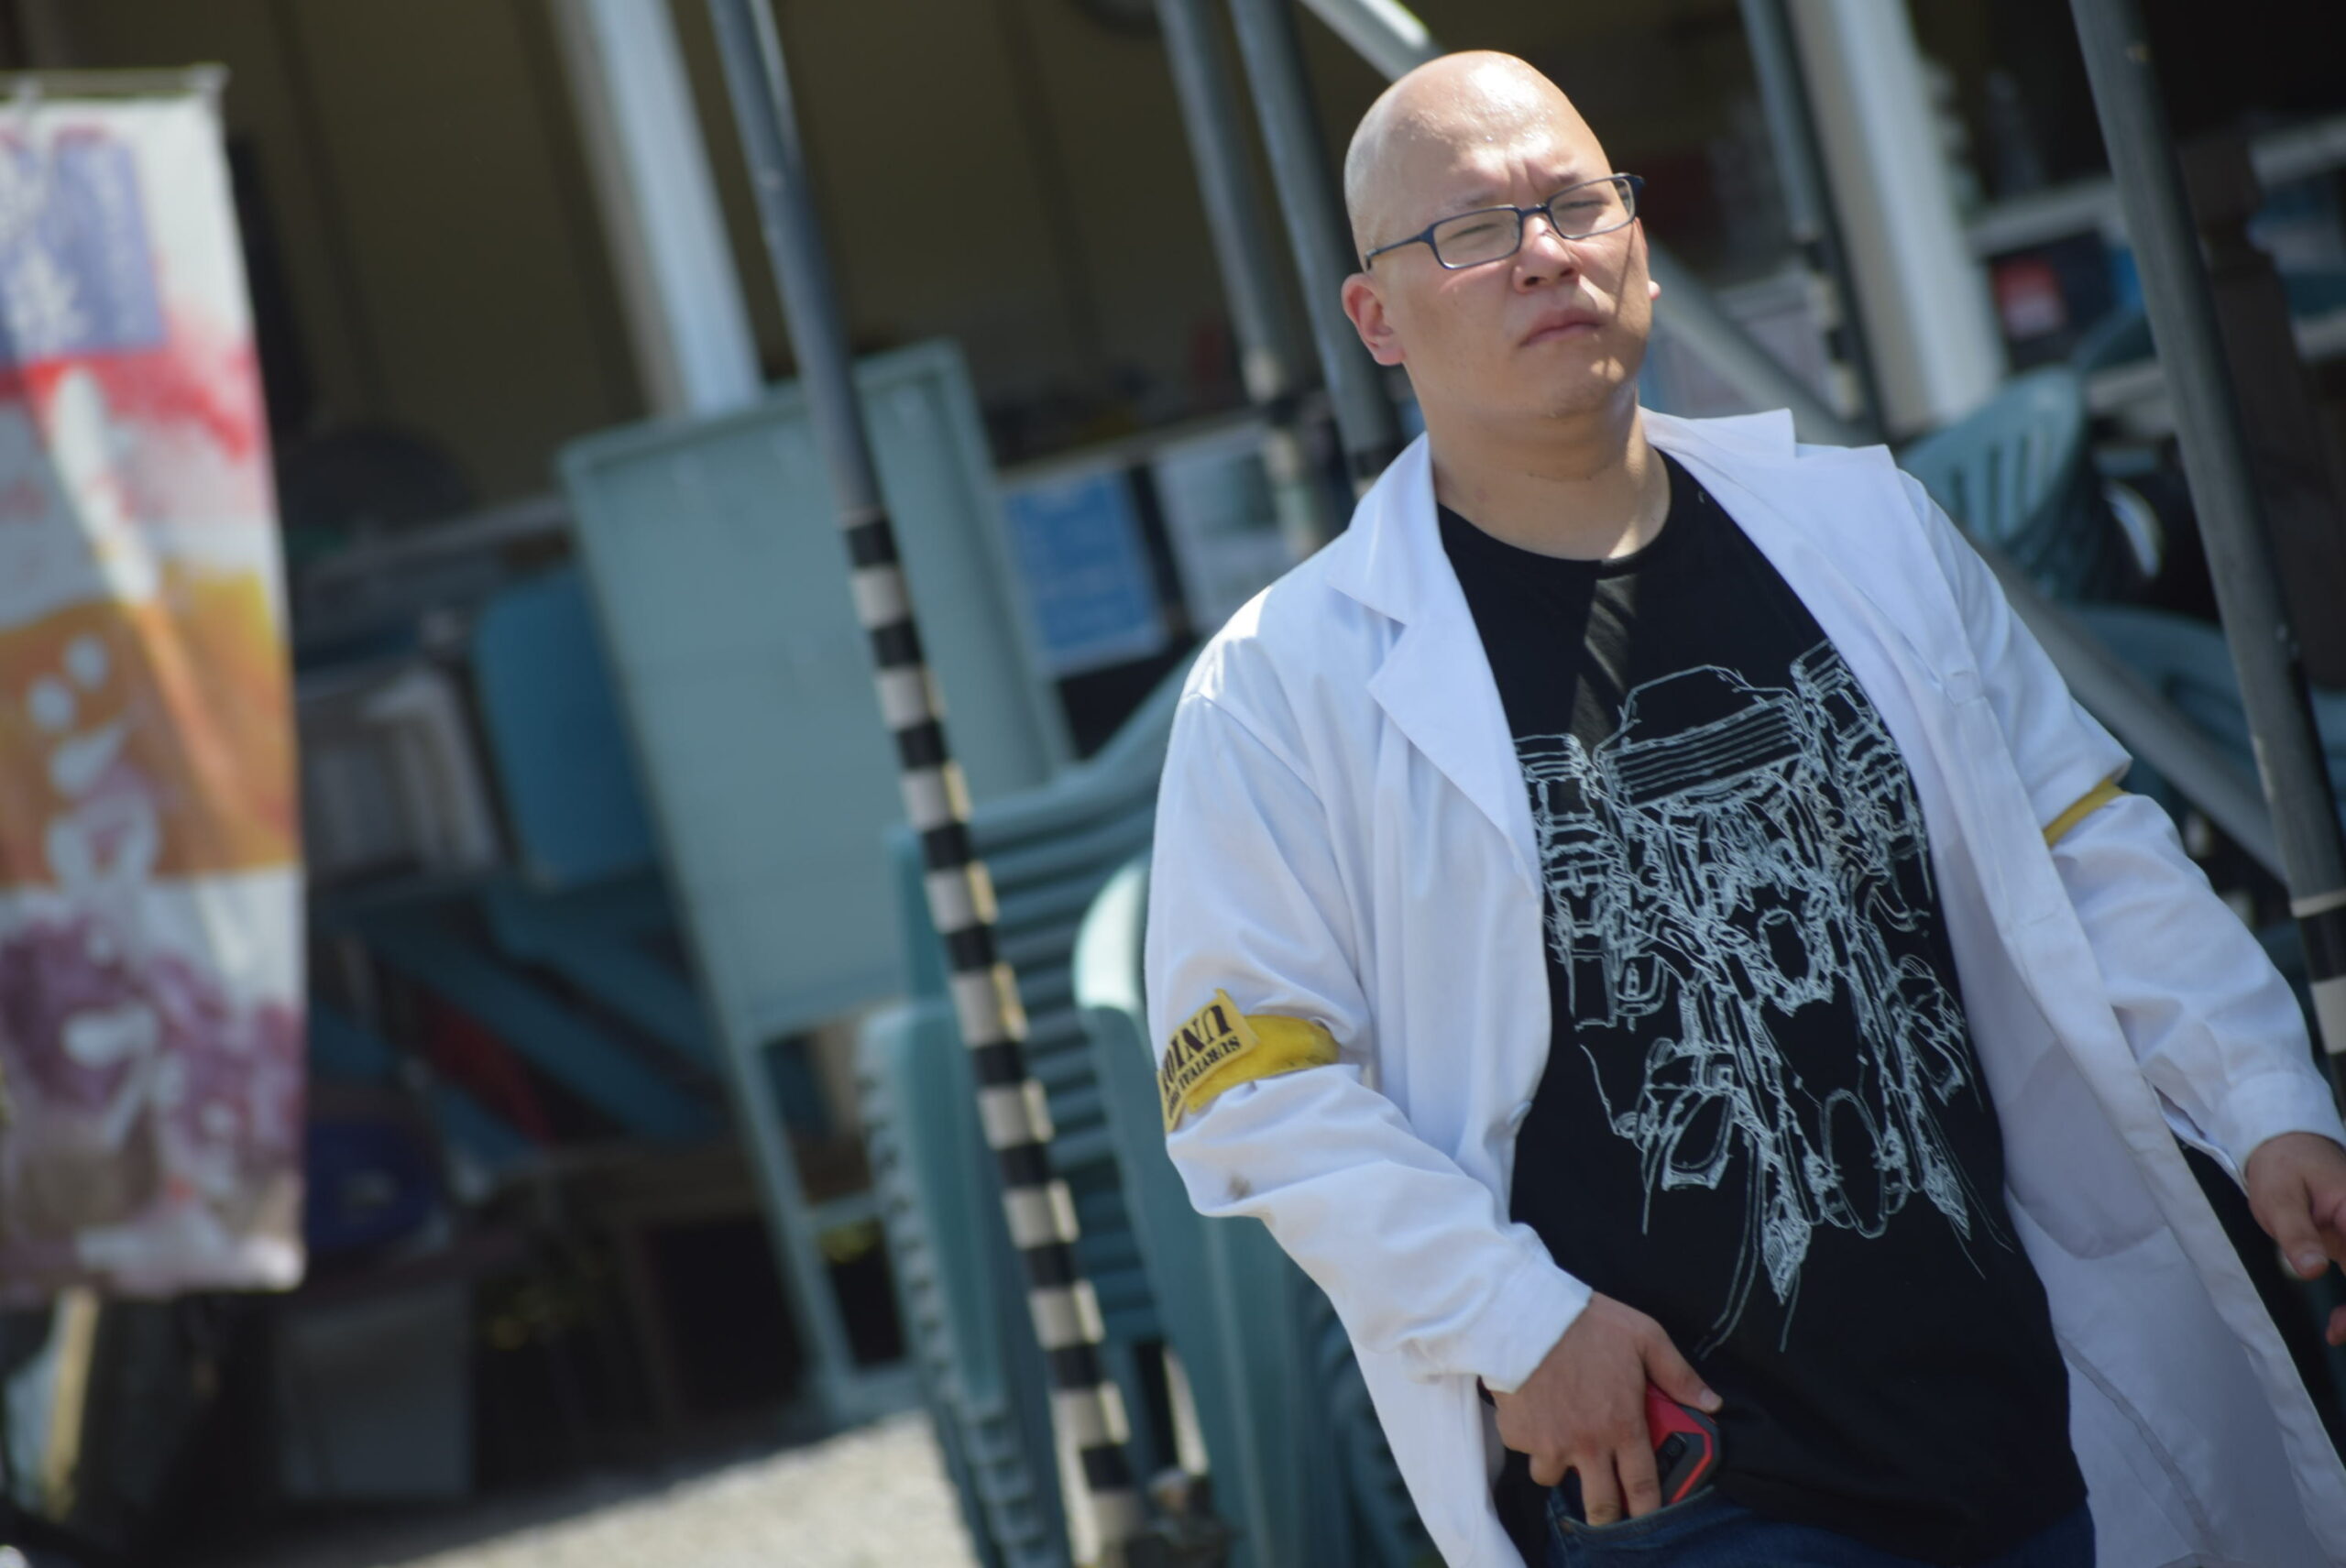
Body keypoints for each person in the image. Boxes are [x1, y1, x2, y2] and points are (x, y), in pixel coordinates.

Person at [1143, 49, 2346, 1568]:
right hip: (1688, 1473)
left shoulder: (1865, 530)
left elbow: (2083, 847)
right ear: (1375, 318)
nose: (1544, 255)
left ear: (1638, 244)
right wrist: (1514, 1318)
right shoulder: (1281, 689)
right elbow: (1252, 1088)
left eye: (1576, 203)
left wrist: (2267, 1104)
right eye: (1471, 231)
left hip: (2022, 1426)